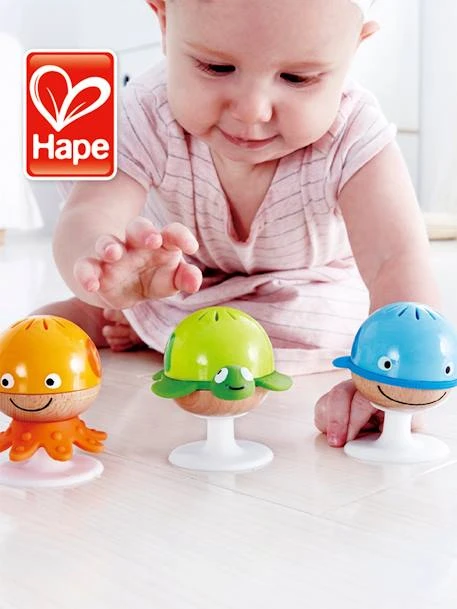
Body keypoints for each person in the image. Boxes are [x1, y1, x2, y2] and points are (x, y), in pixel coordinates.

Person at [37, 0, 440, 448]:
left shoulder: (354, 132)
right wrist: (102, 267)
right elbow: (88, 212)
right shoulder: (146, 110)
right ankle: (126, 314)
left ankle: (160, 332)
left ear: (352, 51)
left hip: (305, 288)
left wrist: (394, 377)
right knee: (99, 303)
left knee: (331, 321)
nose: (252, 110)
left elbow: (396, 258)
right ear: (164, 22)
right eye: (216, 67)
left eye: (297, 78)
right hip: (178, 282)